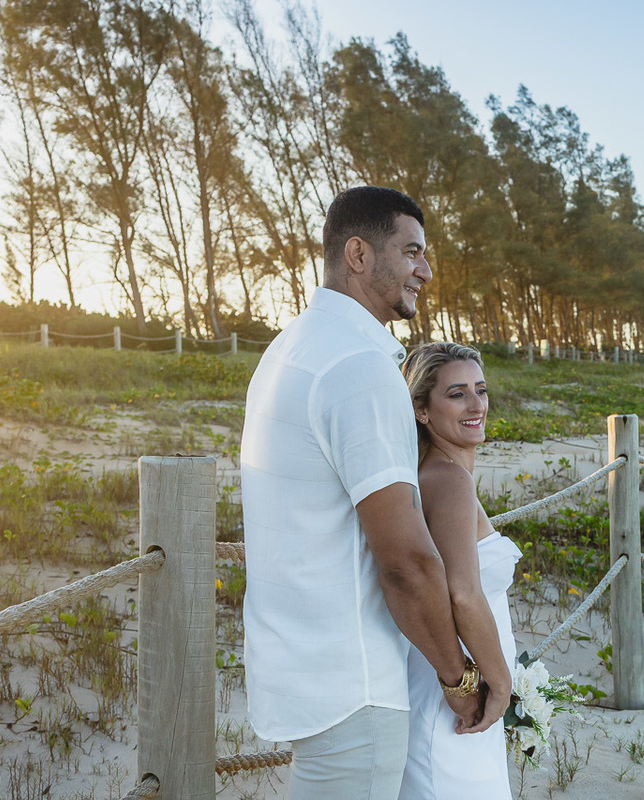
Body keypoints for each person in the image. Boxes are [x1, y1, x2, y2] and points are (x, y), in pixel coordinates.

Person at [240, 186, 500, 799]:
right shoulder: (359, 366)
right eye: (411, 251)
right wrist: (457, 678)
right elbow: (406, 562)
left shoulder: (289, 349)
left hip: (298, 662)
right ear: (357, 253)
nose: (425, 271)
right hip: (352, 682)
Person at [398, 342, 522, 799]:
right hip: (456, 694)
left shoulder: (439, 472)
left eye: (481, 390)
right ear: (422, 410)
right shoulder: (448, 481)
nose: (476, 405)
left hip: (456, 682)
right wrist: (502, 683)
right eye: (457, 394)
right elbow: (463, 595)